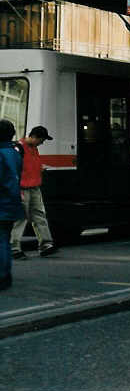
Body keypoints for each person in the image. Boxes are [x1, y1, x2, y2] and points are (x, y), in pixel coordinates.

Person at [10, 125, 58, 258]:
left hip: (34, 186)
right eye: (41, 140)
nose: (42, 143)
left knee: (39, 215)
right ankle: (14, 247)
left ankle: (45, 244)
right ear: (35, 137)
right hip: (22, 188)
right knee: (21, 218)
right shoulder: (18, 148)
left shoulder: (33, 148)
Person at [0, 119, 25, 290]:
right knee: (5, 240)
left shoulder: (0, 153)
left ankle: (2, 276)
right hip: (11, 203)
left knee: (1, 240)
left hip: (1, 203)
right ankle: (5, 275)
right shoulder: (15, 153)